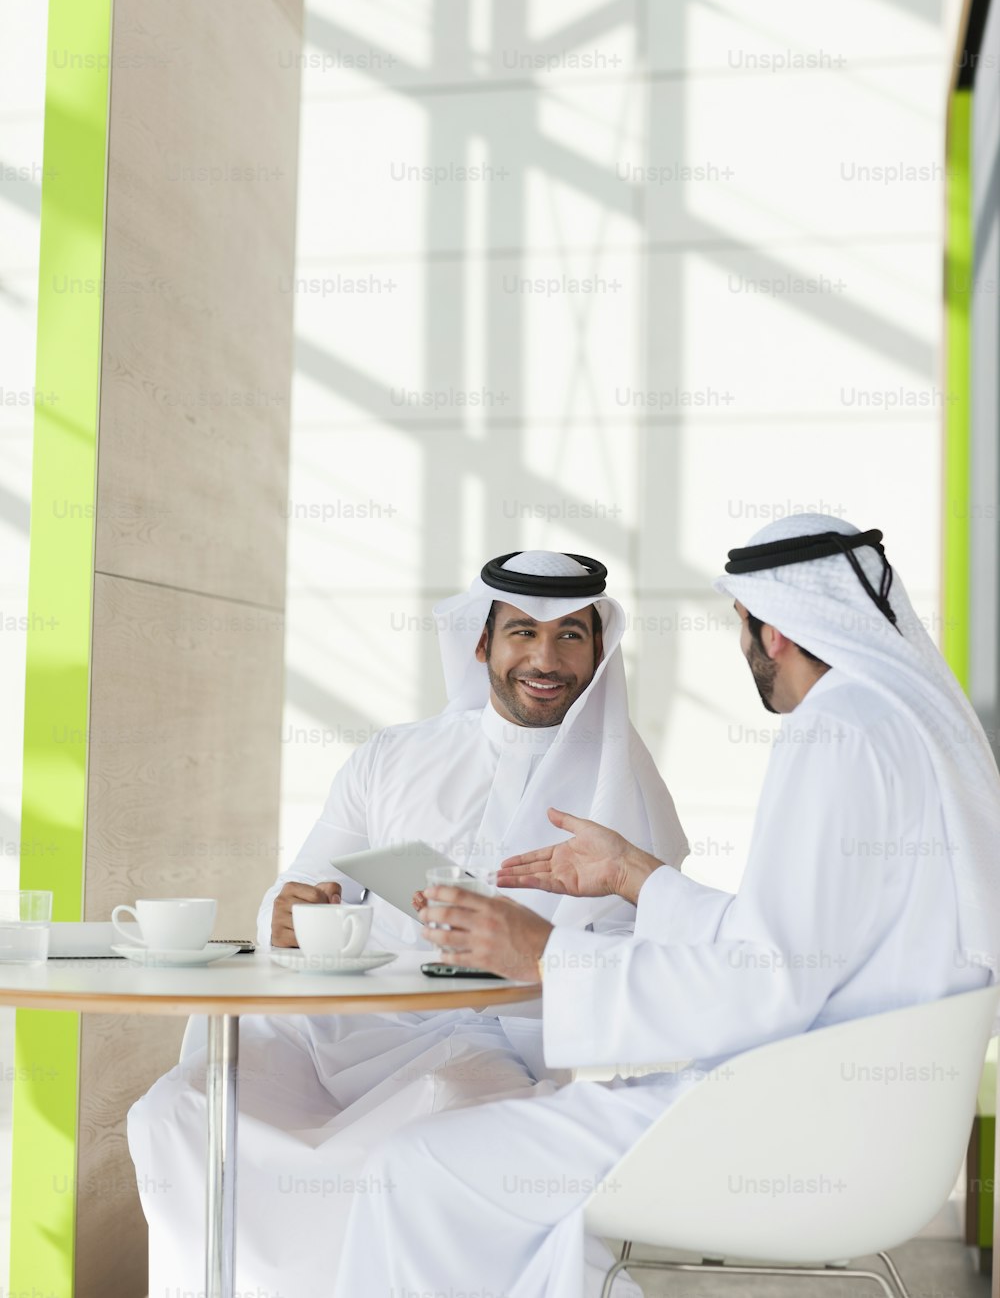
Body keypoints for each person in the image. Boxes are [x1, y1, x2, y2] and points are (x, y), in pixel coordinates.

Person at [331, 513, 1000, 1298]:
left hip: (793, 1124)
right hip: (856, 1116)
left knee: (412, 1167)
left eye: (742, 628)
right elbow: (791, 948)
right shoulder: (903, 723)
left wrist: (544, 955)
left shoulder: (835, 731)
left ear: (774, 629)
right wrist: (635, 874)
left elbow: (761, 984)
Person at [127, 549, 688, 1295]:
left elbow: (650, 964)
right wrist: (287, 915)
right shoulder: (392, 757)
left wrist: (533, 951)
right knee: (175, 1110)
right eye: (523, 632)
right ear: (482, 643)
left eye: (571, 637)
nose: (545, 658)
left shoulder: (626, 787)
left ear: (599, 648)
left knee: (442, 1129)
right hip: (336, 1030)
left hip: (488, 1041)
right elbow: (299, 889)